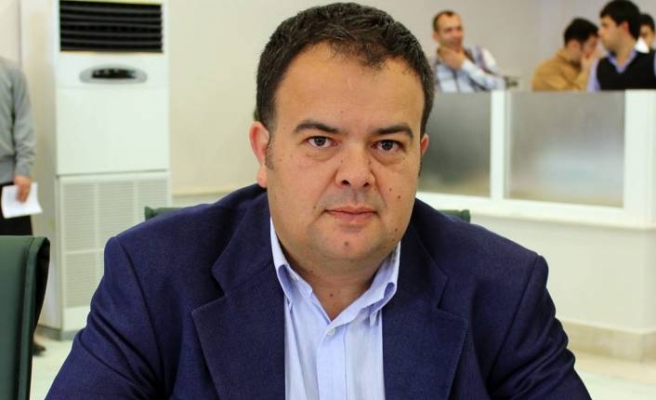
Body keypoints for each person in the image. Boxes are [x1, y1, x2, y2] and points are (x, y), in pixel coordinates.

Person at [47, 3, 590, 399]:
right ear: (263, 153)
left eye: (387, 145)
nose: (356, 174)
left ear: (419, 157)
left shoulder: (502, 288)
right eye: (321, 141)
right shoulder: (154, 277)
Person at [0, 56, 45, 355]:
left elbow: (24, 120)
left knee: (20, 263)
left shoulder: (10, 72)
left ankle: (21, 336)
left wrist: (23, 169)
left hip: (9, 183)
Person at [588, 0, 656, 91]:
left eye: (605, 26)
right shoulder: (598, 67)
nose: (599, 32)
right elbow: (592, 98)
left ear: (624, 27)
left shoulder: (652, 61)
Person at [431, 10, 505, 92]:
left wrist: (464, 64)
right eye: (448, 30)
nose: (456, 35)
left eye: (459, 29)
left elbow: (501, 86)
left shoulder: (479, 54)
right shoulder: (430, 67)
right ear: (435, 36)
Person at [532, 18, 599, 91]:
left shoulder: (585, 67)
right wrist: (586, 72)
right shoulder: (546, 71)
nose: (596, 52)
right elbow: (571, 97)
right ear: (574, 46)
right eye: (592, 46)